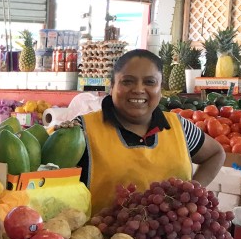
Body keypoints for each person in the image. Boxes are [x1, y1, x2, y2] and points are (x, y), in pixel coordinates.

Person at [77, 49, 225, 215]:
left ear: (160, 89)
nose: (139, 89)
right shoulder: (82, 131)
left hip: (170, 237)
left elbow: (216, 153)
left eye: (150, 82)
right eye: (127, 82)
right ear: (112, 86)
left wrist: (192, 194)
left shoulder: (179, 127)